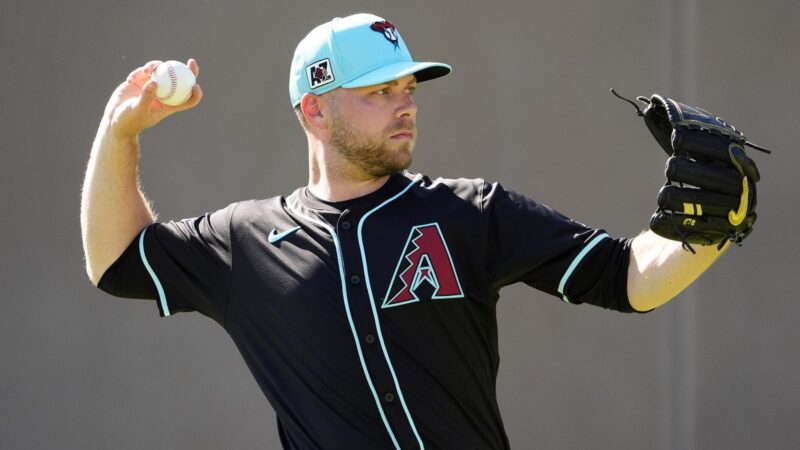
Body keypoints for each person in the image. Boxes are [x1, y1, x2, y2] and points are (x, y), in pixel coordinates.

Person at [81, 13, 739, 450]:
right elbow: (113, 260)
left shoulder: (471, 213)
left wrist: (705, 234)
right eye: (378, 91)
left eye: (407, 87)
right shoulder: (246, 242)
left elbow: (628, 279)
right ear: (315, 110)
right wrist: (120, 130)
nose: (405, 104)